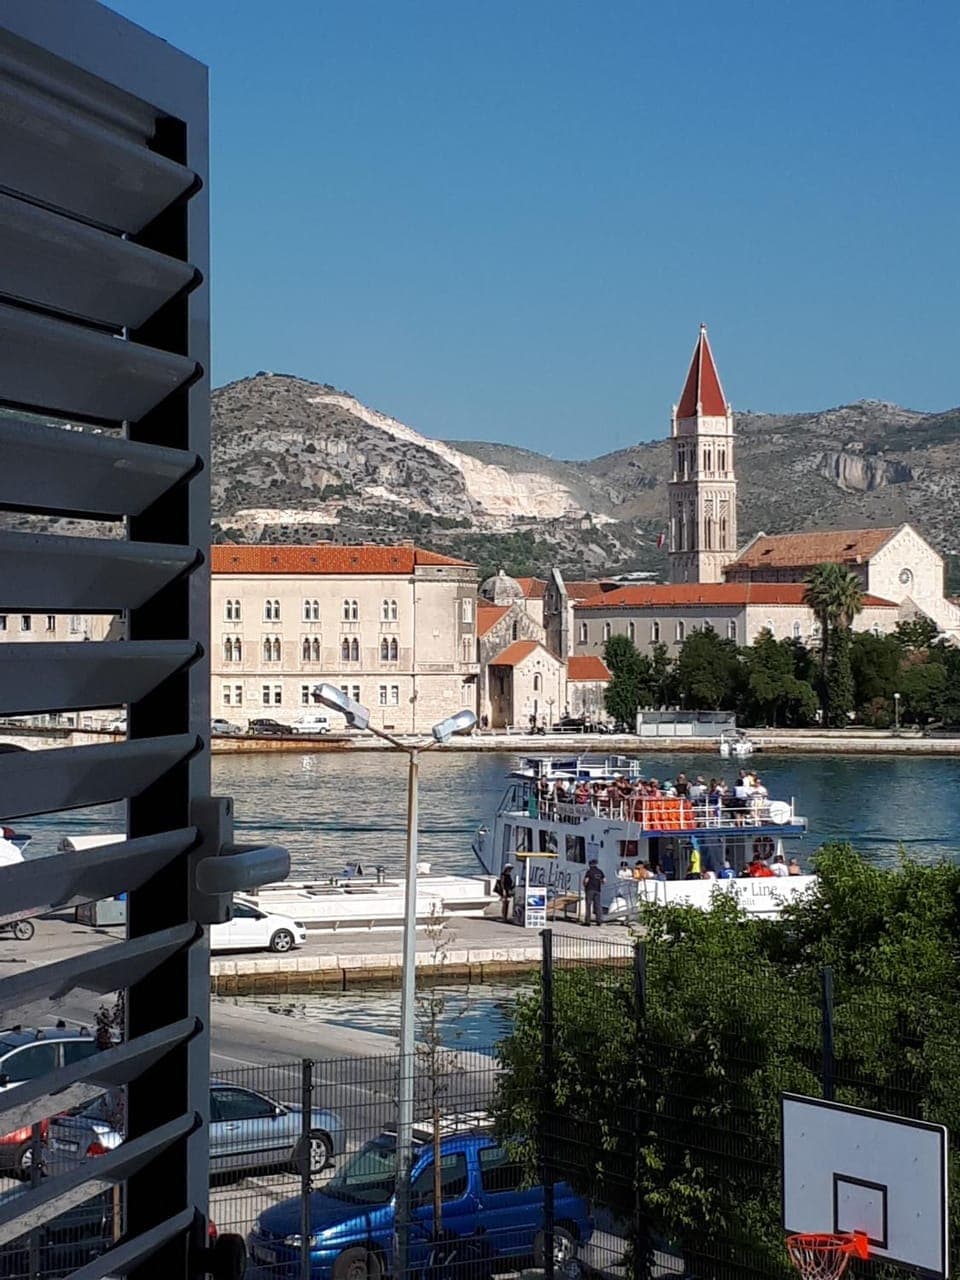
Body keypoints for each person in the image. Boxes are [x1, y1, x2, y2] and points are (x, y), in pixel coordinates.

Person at [583, 858, 605, 926]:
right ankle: (599, 921)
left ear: (590, 864)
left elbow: (586, 880)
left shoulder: (589, 871)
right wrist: (598, 882)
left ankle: (588, 921)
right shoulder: (600, 871)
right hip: (597, 890)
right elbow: (604, 881)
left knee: (588, 905)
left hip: (590, 890)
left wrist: (584, 885)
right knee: (598, 906)